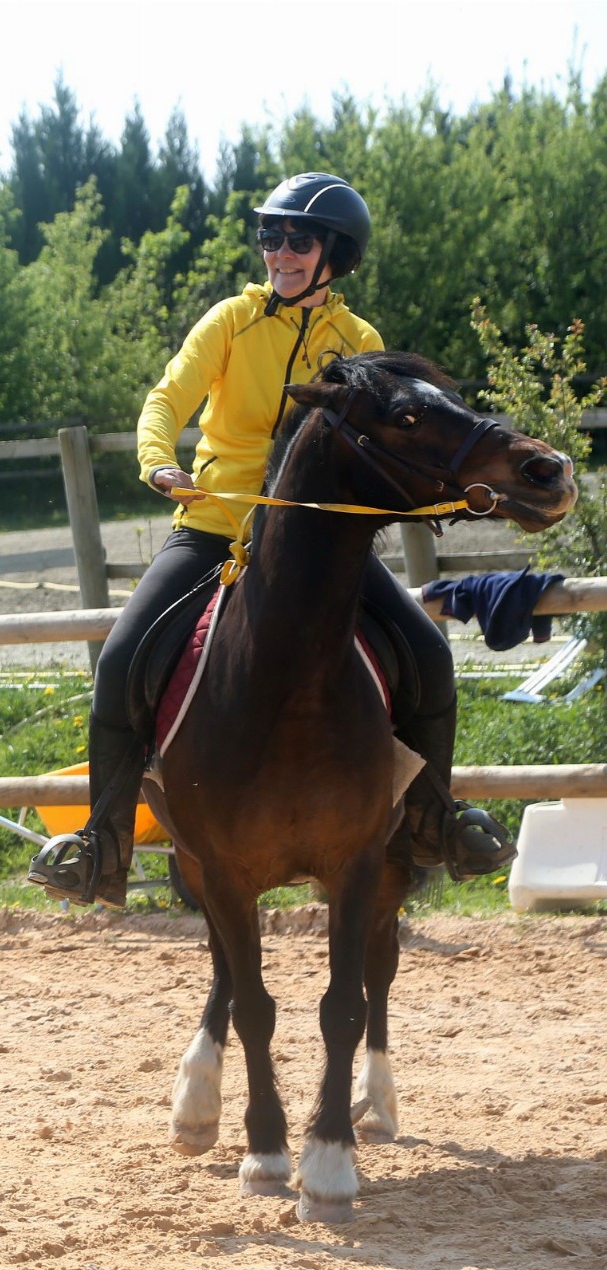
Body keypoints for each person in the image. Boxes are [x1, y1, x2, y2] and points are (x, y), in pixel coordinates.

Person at [29, 172, 514, 907]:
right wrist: (159, 460)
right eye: (270, 236)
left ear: (335, 255)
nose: (278, 252)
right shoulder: (229, 321)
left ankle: (432, 821)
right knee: (120, 662)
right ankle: (102, 843)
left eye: (298, 239)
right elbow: (167, 398)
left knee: (429, 655)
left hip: (321, 551)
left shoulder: (359, 343)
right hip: (216, 528)